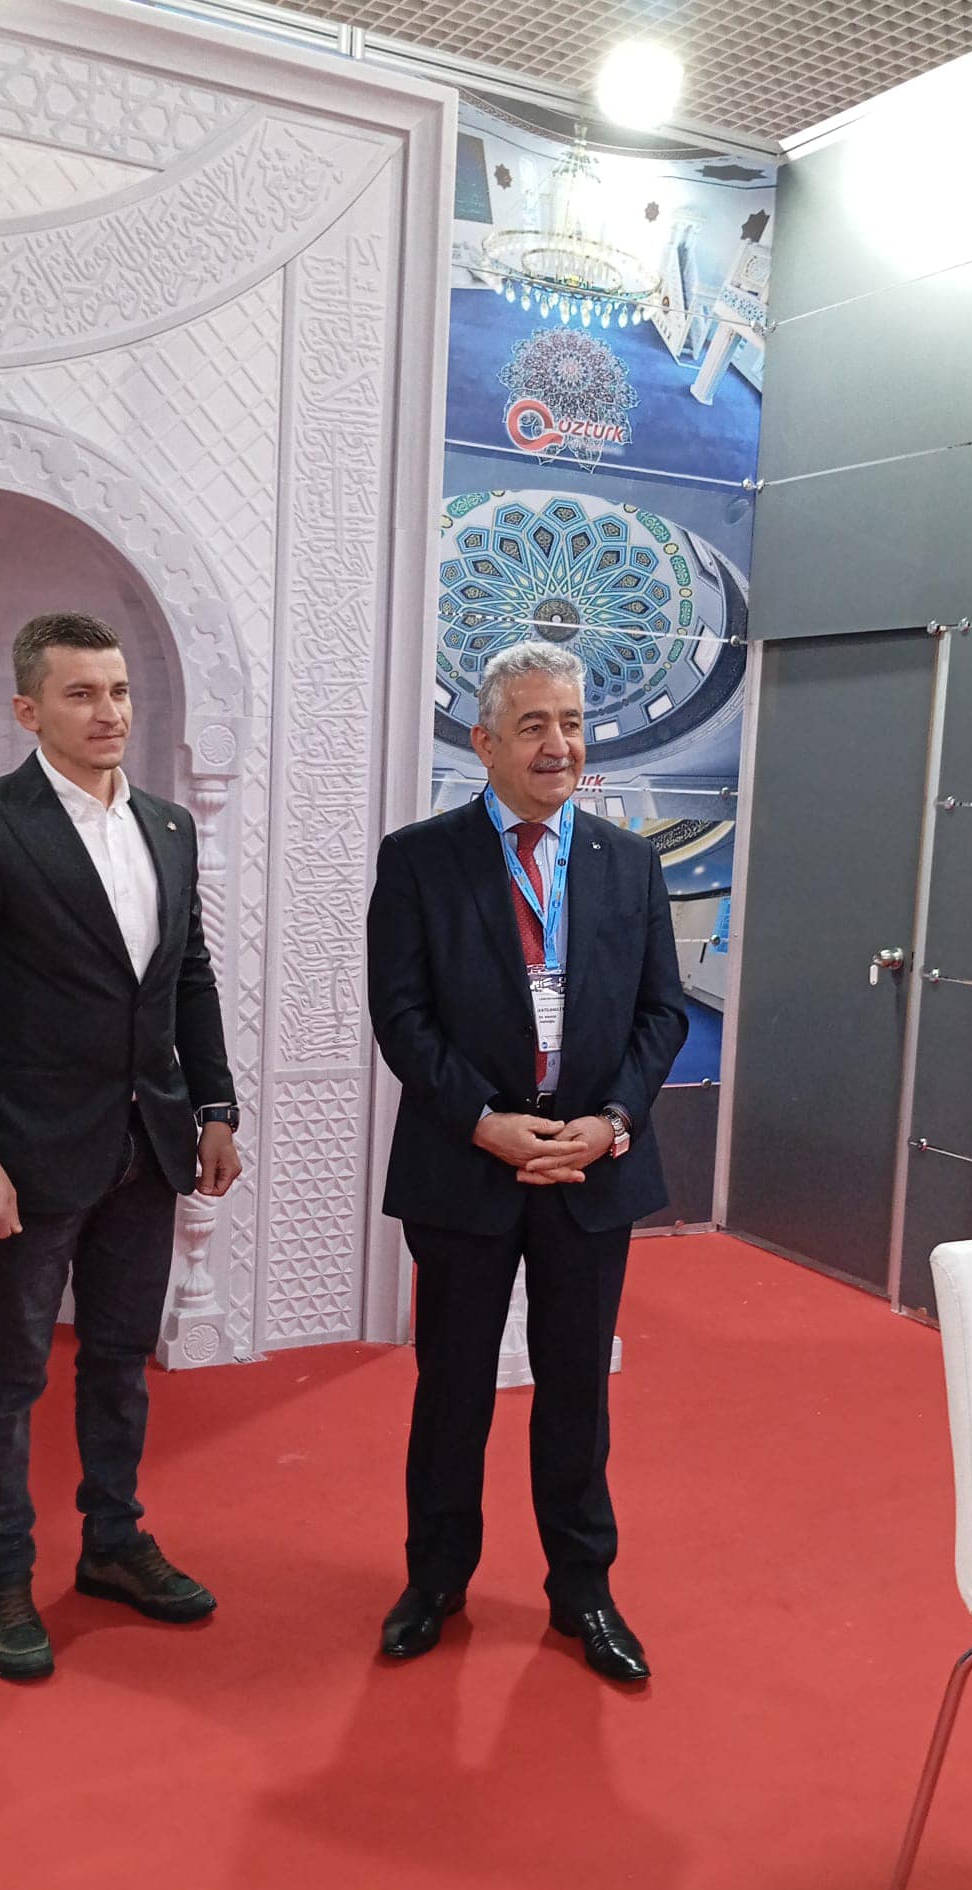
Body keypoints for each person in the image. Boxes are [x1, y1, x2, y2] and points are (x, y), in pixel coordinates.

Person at [0, 612, 241, 1682]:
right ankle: (0, 1577)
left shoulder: (170, 826)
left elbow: (189, 977)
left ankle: (112, 1541)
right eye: (82, 694)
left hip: (151, 1141)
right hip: (27, 1152)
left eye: (120, 691)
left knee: (119, 1360)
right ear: (29, 709)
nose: (109, 713)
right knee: (6, 1379)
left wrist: (217, 1107)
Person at [365, 640, 688, 1682]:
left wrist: (613, 1122)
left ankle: (583, 1590)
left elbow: (663, 1013)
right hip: (467, 1167)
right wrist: (483, 1122)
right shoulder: (420, 859)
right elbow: (402, 1018)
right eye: (535, 725)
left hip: (591, 1167)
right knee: (452, 1388)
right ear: (485, 741)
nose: (561, 745)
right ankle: (435, 1580)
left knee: (577, 1393)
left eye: (573, 724)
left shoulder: (629, 863)